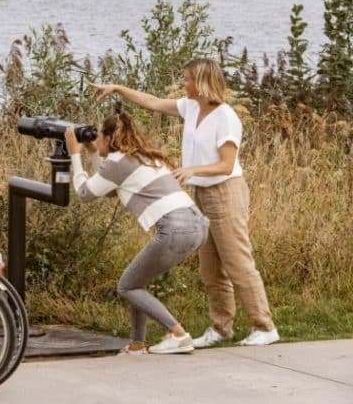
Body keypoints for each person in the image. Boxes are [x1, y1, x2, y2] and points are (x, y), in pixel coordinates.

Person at [92, 58, 280, 348]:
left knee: (237, 263)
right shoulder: (191, 107)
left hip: (225, 192)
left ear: (202, 82)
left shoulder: (226, 117)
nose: (183, 83)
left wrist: (192, 170)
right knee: (210, 269)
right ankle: (221, 328)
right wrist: (117, 88)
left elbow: (227, 165)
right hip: (202, 194)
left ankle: (264, 326)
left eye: (187, 79)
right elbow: (152, 103)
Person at [65, 110, 207, 355]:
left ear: (109, 138)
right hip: (197, 224)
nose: (95, 138)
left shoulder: (119, 163)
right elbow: (108, 186)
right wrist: (92, 151)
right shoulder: (142, 157)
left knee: (127, 286)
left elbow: (85, 193)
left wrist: (74, 155)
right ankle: (137, 344)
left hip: (175, 228)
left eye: (98, 135)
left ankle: (178, 334)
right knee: (137, 283)